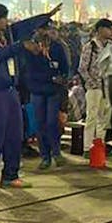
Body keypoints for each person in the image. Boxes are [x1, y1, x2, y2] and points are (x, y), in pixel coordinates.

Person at [0, 2, 62, 190]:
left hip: (11, 91)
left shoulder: (7, 34)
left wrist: (47, 16)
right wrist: (21, 46)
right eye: (3, 18)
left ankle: (10, 175)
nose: (6, 21)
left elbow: (25, 25)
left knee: (15, 134)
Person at [22, 30, 69, 169]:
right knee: (40, 124)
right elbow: (29, 72)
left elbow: (65, 66)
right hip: (37, 91)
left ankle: (56, 152)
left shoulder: (57, 47)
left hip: (53, 91)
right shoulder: (31, 50)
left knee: (52, 123)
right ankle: (45, 156)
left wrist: (64, 77)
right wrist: (51, 78)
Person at [78, 19, 112, 155]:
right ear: (100, 30)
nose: (111, 31)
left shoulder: (110, 46)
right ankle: (87, 148)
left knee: (103, 119)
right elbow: (82, 68)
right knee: (91, 117)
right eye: (109, 28)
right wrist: (91, 83)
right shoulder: (90, 47)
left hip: (107, 87)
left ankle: (99, 145)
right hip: (94, 88)